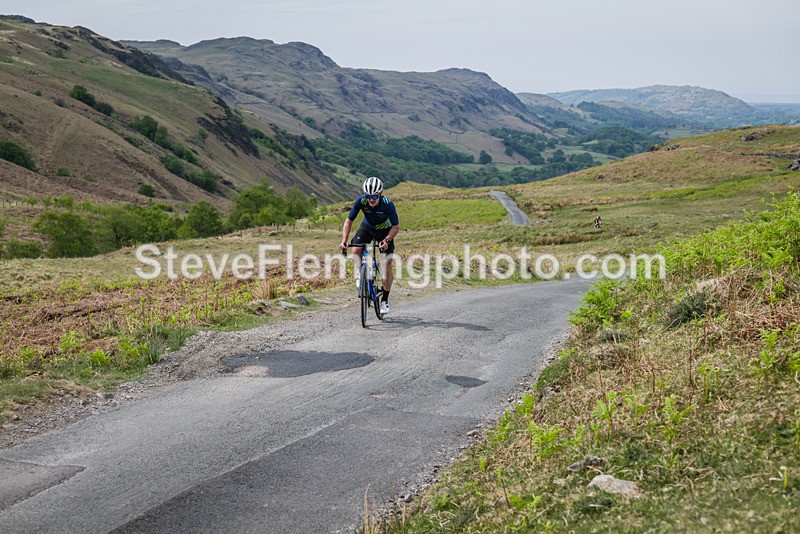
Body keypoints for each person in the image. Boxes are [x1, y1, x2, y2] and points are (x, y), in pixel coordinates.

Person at [340, 176, 399, 315]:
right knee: (355, 250)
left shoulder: (387, 204)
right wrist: (344, 240)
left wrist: (387, 240)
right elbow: (348, 221)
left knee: (387, 264)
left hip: (385, 232)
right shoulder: (361, 201)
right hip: (367, 228)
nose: (371, 199)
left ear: (380, 193)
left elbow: (396, 227)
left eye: (374, 196)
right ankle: (361, 274)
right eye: (368, 196)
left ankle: (384, 300)